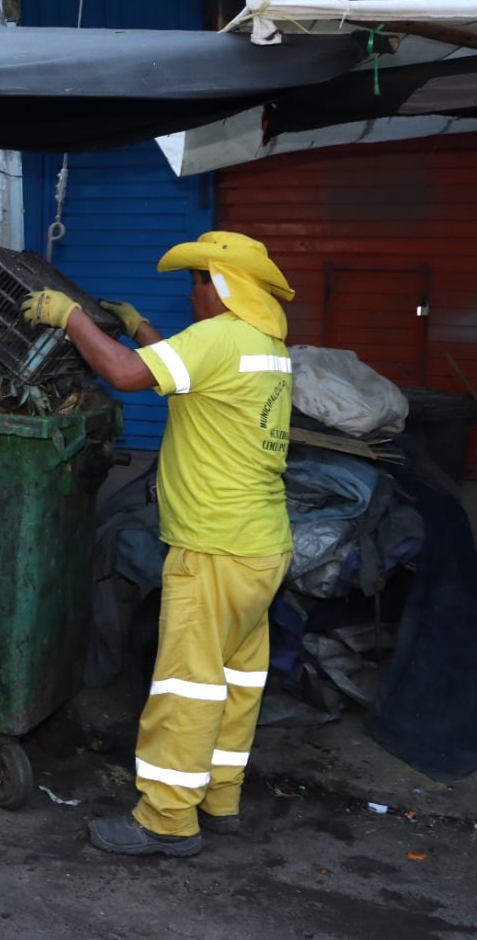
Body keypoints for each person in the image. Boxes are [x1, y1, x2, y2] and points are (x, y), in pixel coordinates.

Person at [21, 231, 295, 859]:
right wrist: (141, 326)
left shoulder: (219, 337)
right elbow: (180, 366)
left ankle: (167, 819)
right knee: (235, 681)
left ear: (218, 286)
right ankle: (219, 799)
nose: (192, 297)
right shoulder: (265, 346)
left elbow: (121, 374)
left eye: (195, 284)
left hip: (214, 549)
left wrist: (69, 320)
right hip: (262, 547)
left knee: (187, 686)